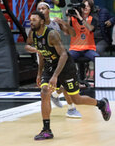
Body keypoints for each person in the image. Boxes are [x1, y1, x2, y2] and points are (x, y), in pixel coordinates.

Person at [27, 11, 111, 140]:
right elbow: (38, 52)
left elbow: (64, 55)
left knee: (76, 99)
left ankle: (101, 104)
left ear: (42, 21)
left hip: (66, 66)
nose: (31, 22)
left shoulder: (52, 34)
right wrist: (39, 73)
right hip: (50, 66)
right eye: (31, 20)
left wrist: (55, 76)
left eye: (34, 20)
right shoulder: (32, 33)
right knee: (44, 92)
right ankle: (47, 129)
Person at [26, 2, 81, 118]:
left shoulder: (55, 23)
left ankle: (60, 98)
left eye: (43, 8)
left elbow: (73, 33)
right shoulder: (34, 28)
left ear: (48, 10)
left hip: (59, 55)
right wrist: (36, 51)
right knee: (54, 84)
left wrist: (63, 22)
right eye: (39, 9)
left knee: (64, 82)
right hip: (45, 56)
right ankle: (68, 107)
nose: (41, 10)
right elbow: (28, 45)